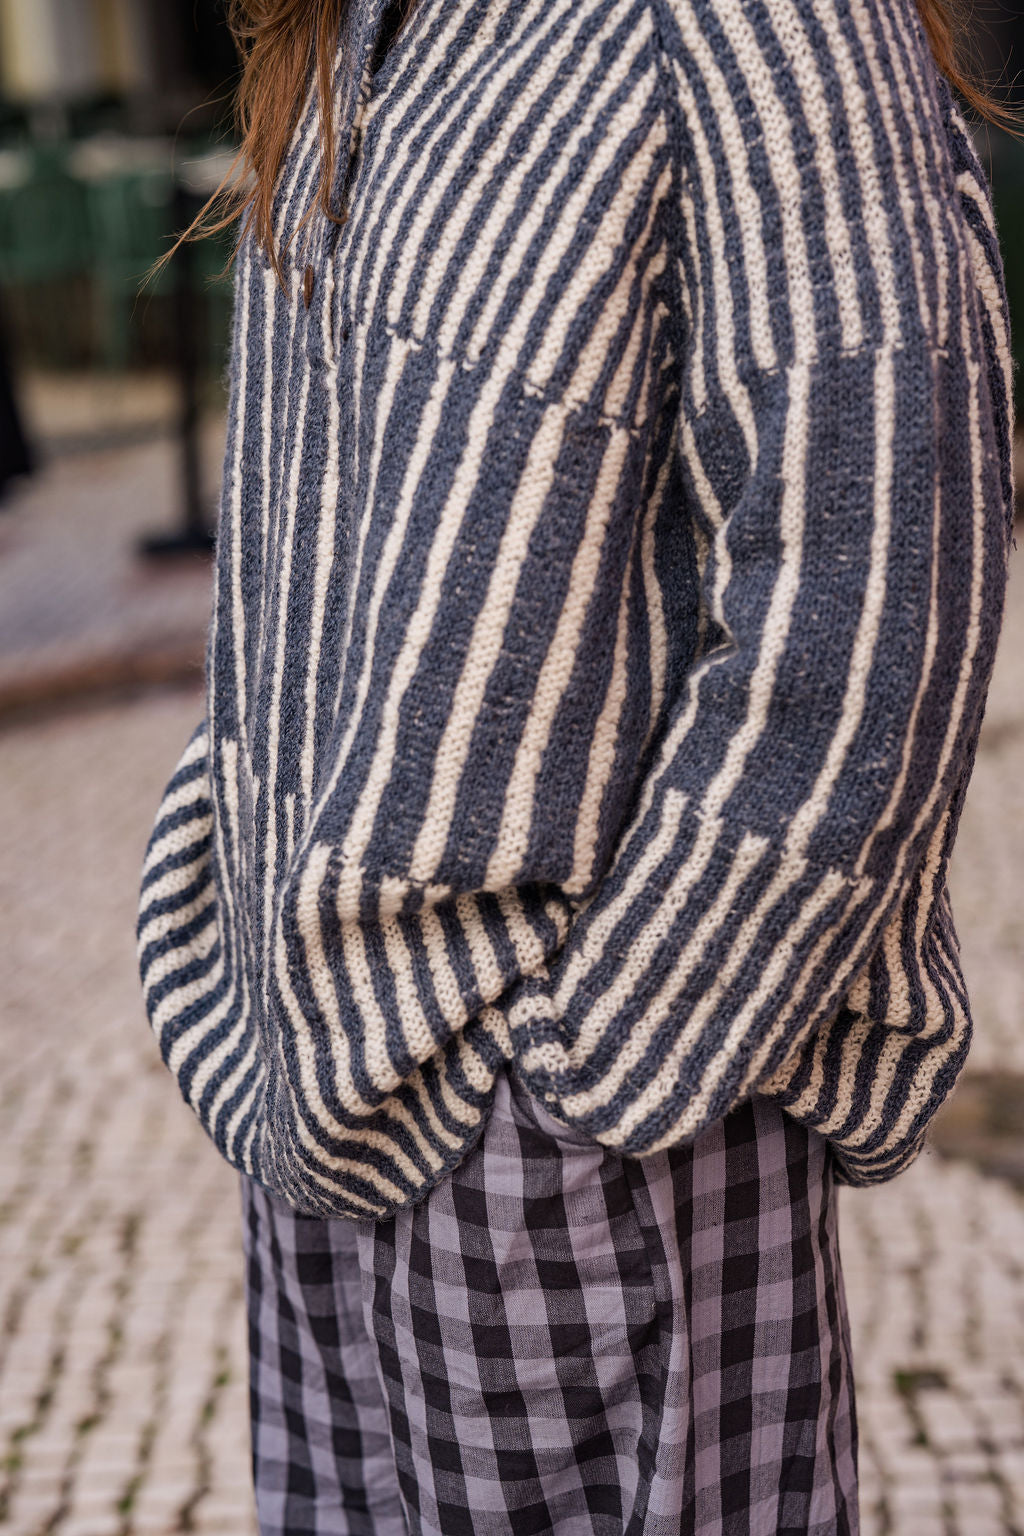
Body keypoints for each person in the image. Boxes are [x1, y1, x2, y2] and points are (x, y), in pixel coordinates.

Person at [136, 0, 1018, 1526]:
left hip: (570, 1150)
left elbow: (884, 573)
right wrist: (239, 859)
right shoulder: (359, 27)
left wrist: (601, 1074)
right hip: (312, 1110)